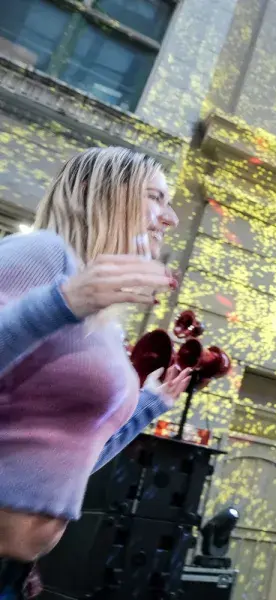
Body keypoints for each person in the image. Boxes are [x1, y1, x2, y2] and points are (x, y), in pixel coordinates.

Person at [0, 147, 193, 599]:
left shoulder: (100, 318)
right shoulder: (40, 254)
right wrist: (64, 302)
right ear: (97, 192)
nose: (171, 219)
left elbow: (74, 456)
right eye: (155, 197)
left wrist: (149, 406)